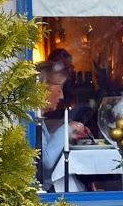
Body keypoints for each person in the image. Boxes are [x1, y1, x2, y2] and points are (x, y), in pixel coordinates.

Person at [36, 60, 89, 191]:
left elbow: (46, 144)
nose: (62, 96)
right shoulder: (32, 119)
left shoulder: (38, 117)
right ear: (43, 89)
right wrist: (66, 129)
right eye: (59, 90)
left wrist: (69, 133)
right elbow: (45, 162)